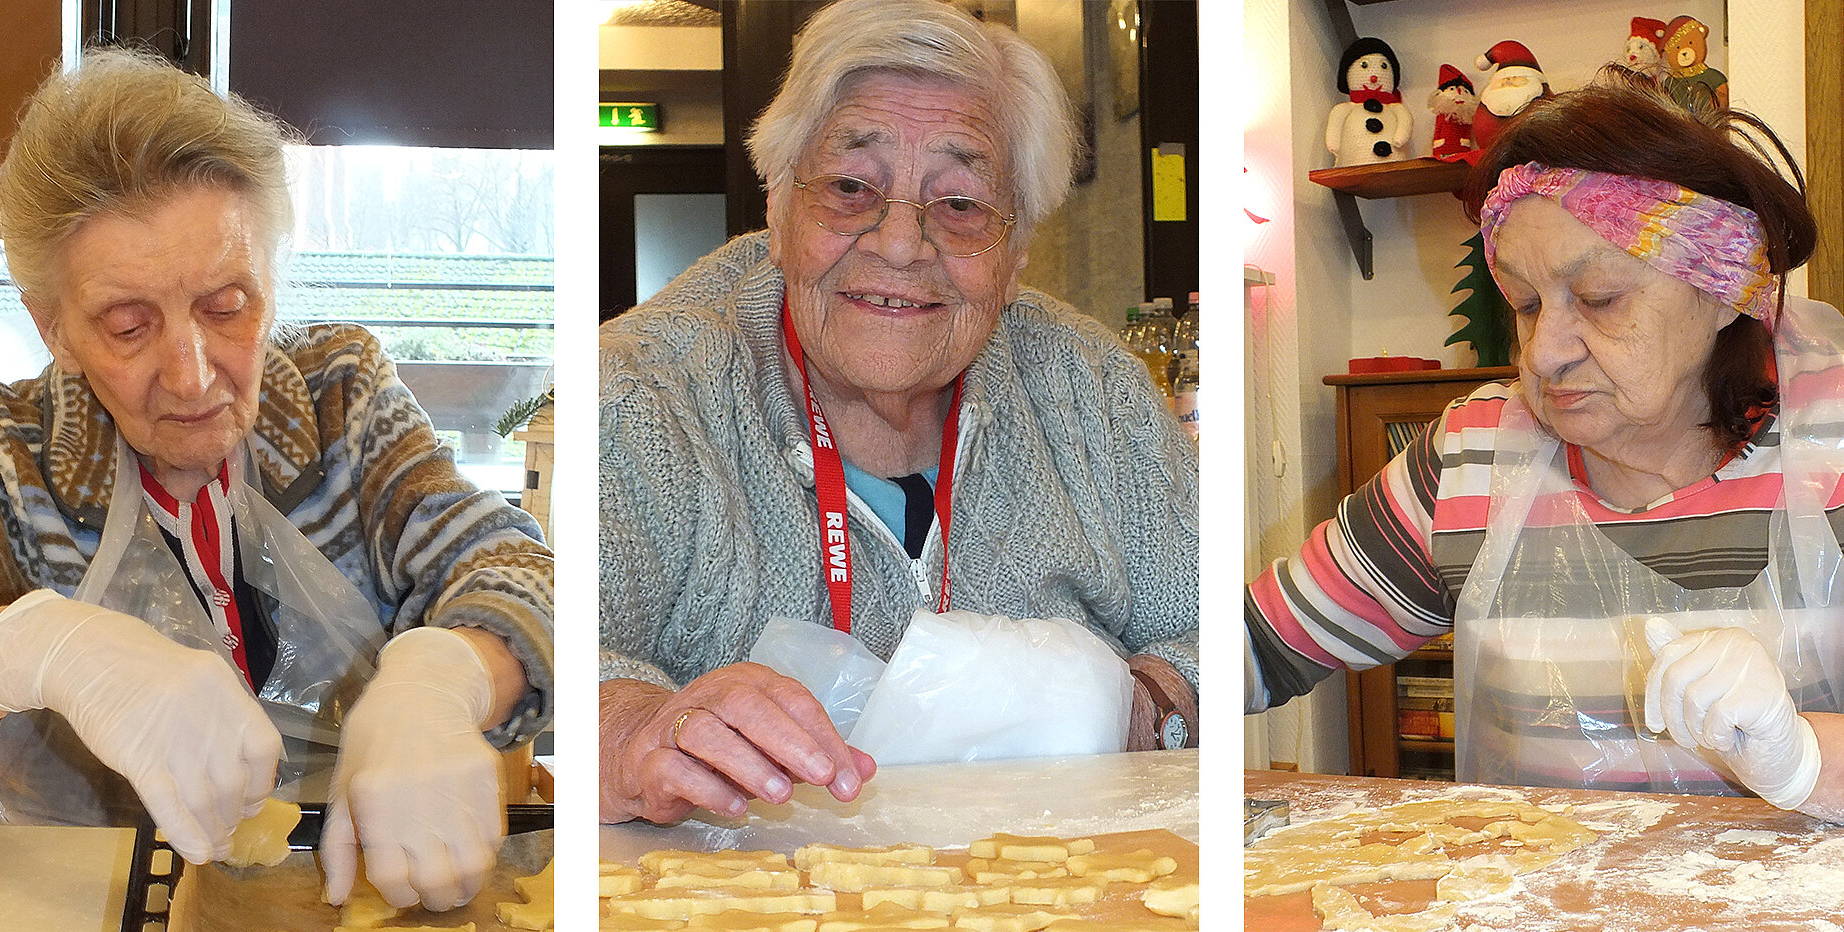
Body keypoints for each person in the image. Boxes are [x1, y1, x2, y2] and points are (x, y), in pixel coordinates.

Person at [0, 50, 556, 910]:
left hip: (343, 888)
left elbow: (522, 574)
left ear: (271, 282)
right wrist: (41, 649)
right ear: (53, 326)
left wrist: (445, 675)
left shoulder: (337, 398)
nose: (193, 374)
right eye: (128, 326)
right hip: (73, 919)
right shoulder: (1, 458)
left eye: (225, 307)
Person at [599, 0, 1199, 826]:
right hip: (743, 930)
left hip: (1050, 918)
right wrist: (633, 728)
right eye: (851, 188)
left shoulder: (1092, 395)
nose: (901, 244)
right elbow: (541, 655)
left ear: (1016, 252)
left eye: (960, 205)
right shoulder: (646, 396)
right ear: (777, 208)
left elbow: (1224, 636)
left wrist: (1144, 704)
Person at [1246, 69, 1844, 822]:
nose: (1543, 353)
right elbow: (1261, 644)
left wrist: (1802, 760)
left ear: (1725, 288)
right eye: (1525, 305)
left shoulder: (1833, 441)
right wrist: (1137, 695)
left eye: (1599, 298)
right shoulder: (1473, 463)